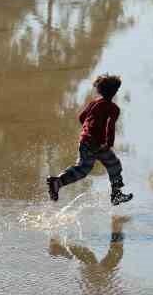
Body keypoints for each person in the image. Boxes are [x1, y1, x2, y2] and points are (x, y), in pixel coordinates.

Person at [47, 74, 133, 206]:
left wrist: (88, 131)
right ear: (115, 91)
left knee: (83, 168)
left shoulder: (94, 103)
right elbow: (110, 125)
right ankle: (116, 194)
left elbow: (82, 117)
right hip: (98, 144)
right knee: (114, 165)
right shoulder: (113, 108)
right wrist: (108, 144)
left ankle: (58, 182)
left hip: (86, 140)